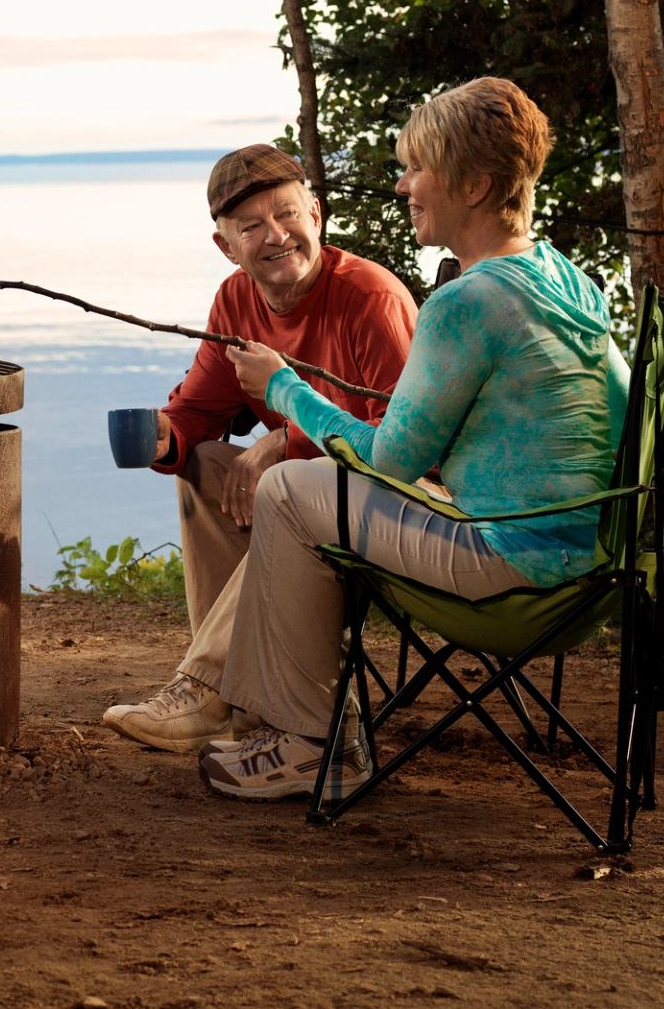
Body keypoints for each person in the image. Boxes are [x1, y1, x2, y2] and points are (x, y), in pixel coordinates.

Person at [190, 77, 630, 800]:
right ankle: (283, 720)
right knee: (309, 485)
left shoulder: (468, 301)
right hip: (590, 563)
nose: (404, 186)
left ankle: (309, 744)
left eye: (418, 167)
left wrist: (282, 391)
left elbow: (391, 459)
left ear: (475, 184)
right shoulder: (564, 279)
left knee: (293, 489)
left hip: (512, 563)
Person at [99, 143, 416, 751]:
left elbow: (402, 448)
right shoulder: (236, 301)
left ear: (316, 215)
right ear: (227, 246)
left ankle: (205, 688)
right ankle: (243, 702)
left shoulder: (370, 299)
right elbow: (197, 409)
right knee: (204, 462)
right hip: (301, 514)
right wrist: (169, 435)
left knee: (283, 484)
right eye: (252, 226)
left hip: (383, 522)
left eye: (288, 214)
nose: (277, 236)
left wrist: (283, 440)